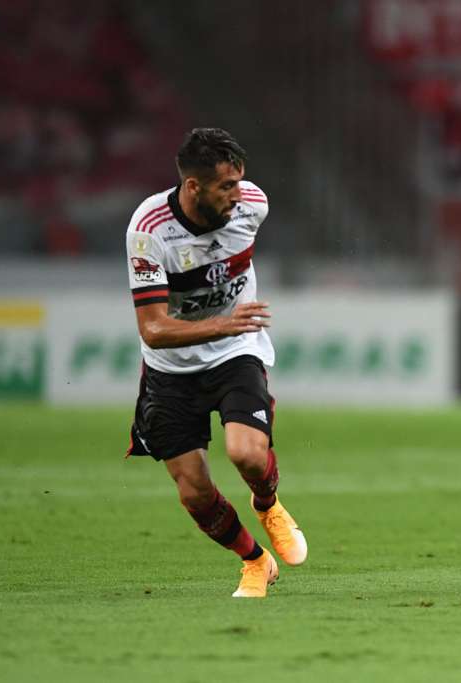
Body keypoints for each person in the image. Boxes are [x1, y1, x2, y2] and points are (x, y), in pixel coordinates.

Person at [125, 128, 306, 598]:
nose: (237, 194)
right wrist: (221, 324)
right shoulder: (148, 233)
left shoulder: (253, 205)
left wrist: (230, 330)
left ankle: (267, 504)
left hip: (235, 352)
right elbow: (154, 329)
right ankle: (254, 560)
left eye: (239, 181)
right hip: (170, 368)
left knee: (246, 453)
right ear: (193, 187)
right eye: (226, 185)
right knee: (194, 491)